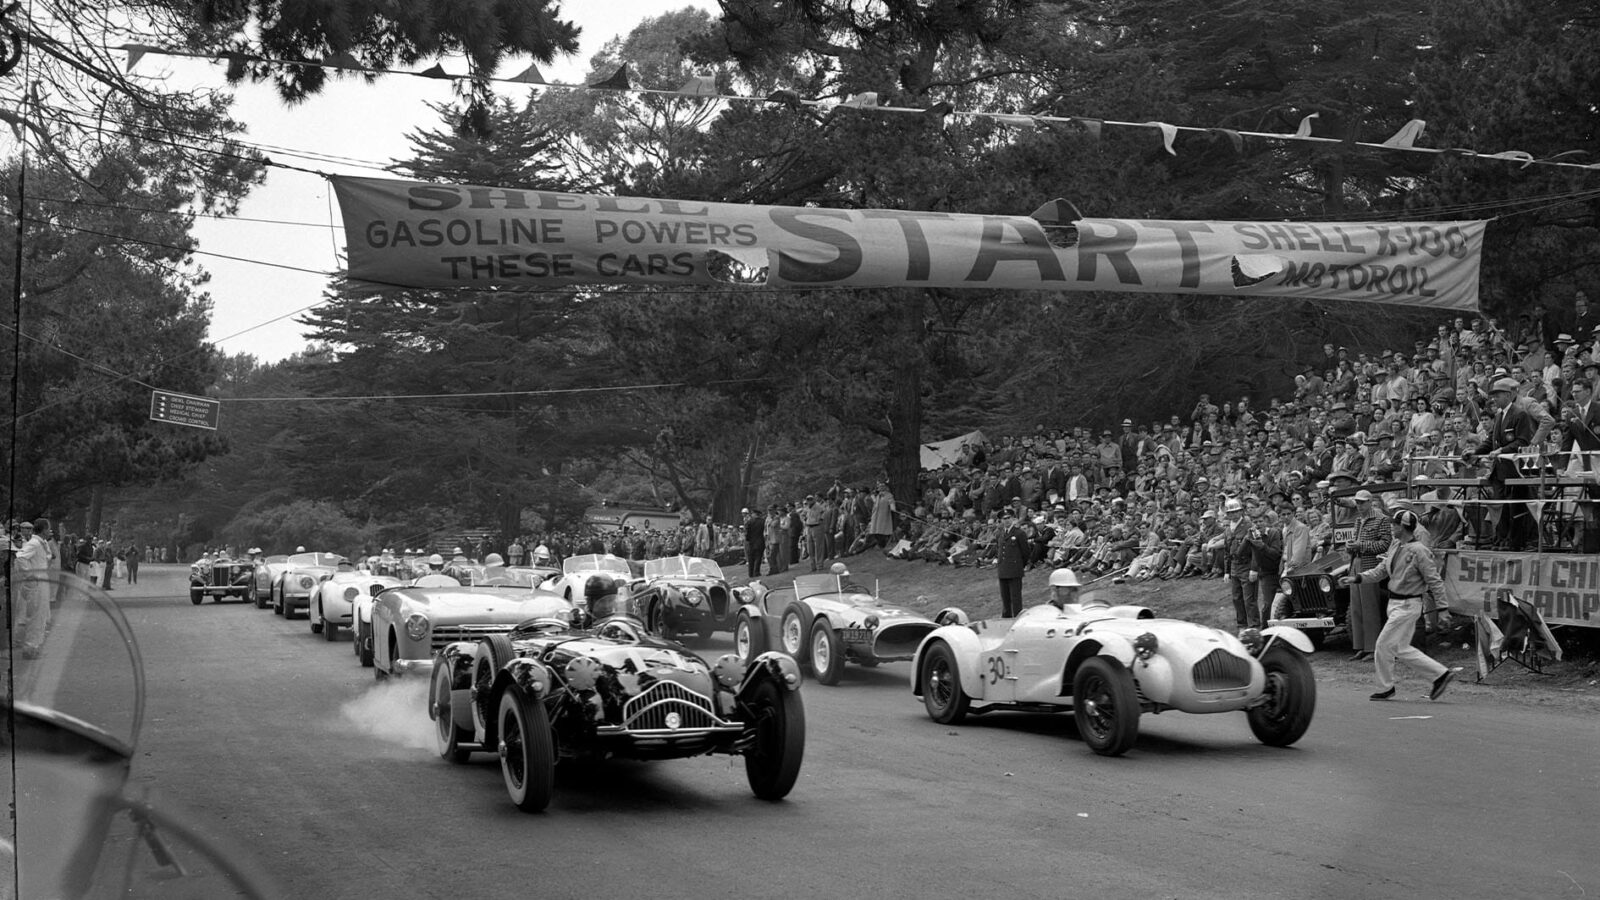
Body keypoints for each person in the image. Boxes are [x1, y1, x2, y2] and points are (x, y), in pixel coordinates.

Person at [1340, 509, 1457, 701]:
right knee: (1400, 648)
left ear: (1403, 527)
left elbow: (1434, 580)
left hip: (1408, 605)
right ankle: (1441, 674)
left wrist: (1443, 609)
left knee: (1383, 644)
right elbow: (1381, 569)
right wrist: (1358, 578)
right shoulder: (1396, 545)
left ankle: (1385, 687)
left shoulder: (1419, 550)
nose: (1391, 527)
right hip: (1396, 603)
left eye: (1394, 524)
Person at [1464, 376, 1554, 550]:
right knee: (1502, 509)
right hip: (1499, 470)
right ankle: (1503, 539)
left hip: (1516, 469)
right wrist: (1475, 452)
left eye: (1497, 395)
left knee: (1516, 508)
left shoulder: (1520, 412)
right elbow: (1491, 441)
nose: (1494, 399)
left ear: (1508, 394)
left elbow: (1522, 441)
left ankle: (1516, 542)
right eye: (1493, 395)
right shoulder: (1499, 415)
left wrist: (1505, 450)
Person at [1346, 489, 1391, 661]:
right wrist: (1351, 546)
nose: (1359, 505)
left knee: (1370, 608)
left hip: (1370, 565)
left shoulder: (1382, 519)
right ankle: (1361, 645)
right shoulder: (1359, 520)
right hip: (1356, 563)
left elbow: (1385, 544)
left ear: (1370, 502)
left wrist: (1361, 546)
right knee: (1356, 607)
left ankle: (1372, 647)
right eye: (1357, 502)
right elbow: (1357, 542)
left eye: (1363, 502)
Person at [13, 520, 52, 657]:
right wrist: (30, 575)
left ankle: (35, 646)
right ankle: (30, 647)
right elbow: (20, 558)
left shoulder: (42, 543)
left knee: (41, 615)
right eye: (48, 529)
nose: (49, 532)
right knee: (35, 615)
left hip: (42, 578)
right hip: (36, 581)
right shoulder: (34, 544)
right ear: (43, 529)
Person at [994, 508, 1031, 617]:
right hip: (1003, 570)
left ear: (1013, 518)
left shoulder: (1019, 533)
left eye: (1008, 518)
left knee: (1016, 599)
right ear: (1001, 521)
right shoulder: (1000, 534)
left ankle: (1018, 618)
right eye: (1004, 519)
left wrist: (1019, 565)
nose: (1006, 521)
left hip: (1015, 570)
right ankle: (1006, 619)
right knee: (1005, 598)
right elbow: (999, 550)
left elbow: (1026, 552)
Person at [742, 507, 764, 578]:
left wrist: (748, 539)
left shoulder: (749, 522)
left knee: (751, 558)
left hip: (751, 542)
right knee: (758, 557)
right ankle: (756, 572)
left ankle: (750, 573)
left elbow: (747, 533)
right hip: (760, 541)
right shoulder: (762, 521)